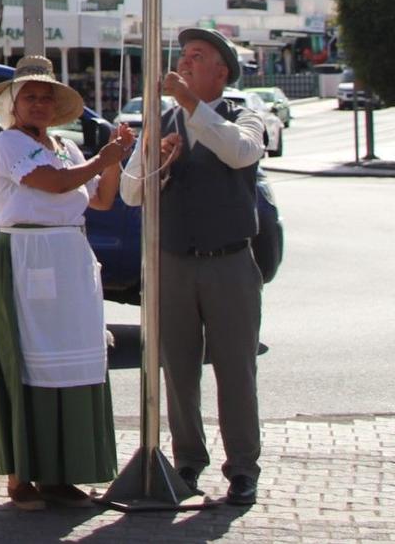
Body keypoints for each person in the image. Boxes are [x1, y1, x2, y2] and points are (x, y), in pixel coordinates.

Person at [120, 25, 270, 505]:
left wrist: (191, 107)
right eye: (183, 55)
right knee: (178, 369)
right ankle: (188, 460)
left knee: (236, 369)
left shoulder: (244, 116)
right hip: (174, 263)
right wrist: (156, 164)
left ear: (221, 71)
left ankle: (243, 467)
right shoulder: (160, 122)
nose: (184, 63)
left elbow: (239, 152)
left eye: (197, 56)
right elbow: (129, 192)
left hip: (229, 263)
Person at [0, 54, 133, 510]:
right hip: (27, 255)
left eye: (48, 97)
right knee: (26, 361)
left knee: (74, 362)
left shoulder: (66, 146)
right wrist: (102, 158)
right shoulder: (6, 144)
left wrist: (115, 158)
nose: (40, 104)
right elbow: (52, 184)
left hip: (69, 257)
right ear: (13, 102)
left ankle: (64, 472)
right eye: (31, 96)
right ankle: (22, 473)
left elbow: (101, 199)